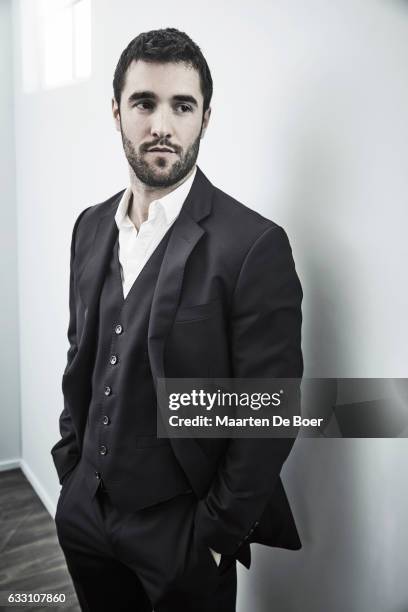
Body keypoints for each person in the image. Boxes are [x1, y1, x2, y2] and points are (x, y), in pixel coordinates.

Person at [51, 27, 303, 612]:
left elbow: (271, 410)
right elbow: (80, 356)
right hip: (87, 512)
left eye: (181, 106)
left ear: (204, 118)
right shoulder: (89, 227)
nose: (162, 124)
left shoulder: (252, 244)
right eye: (144, 102)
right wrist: (71, 469)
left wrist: (214, 533)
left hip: (183, 535)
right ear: (117, 111)